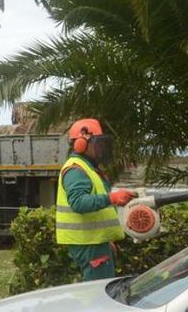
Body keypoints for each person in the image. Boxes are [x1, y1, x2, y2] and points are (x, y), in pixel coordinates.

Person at [56, 118, 137, 281]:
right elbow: (79, 203)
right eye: (97, 143)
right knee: (97, 297)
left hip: (94, 242)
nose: (102, 148)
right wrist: (112, 198)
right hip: (89, 244)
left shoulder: (87, 167)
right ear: (81, 143)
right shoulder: (76, 170)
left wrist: (104, 241)